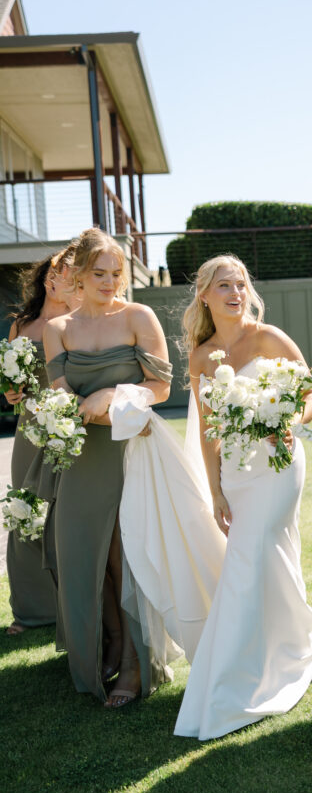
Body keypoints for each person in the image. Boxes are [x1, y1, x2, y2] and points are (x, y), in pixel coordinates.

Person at [174, 254, 312, 740]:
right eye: (224, 286)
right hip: (237, 473)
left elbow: (311, 392)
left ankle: (226, 686)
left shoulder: (269, 337)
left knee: (249, 557)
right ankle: (294, 645)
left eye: (240, 284)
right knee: (271, 558)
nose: (235, 293)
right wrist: (215, 488)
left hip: (279, 464)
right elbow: (209, 430)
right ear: (205, 295)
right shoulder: (200, 357)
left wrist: (292, 423)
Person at [43, 228, 173, 707]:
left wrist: (109, 395)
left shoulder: (138, 315)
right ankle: (108, 642)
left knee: (124, 553)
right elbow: (59, 392)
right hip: (79, 455)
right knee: (85, 557)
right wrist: (75, 406)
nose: (109, 282)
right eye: (99, 273)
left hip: (130, 449)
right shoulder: (59, 329)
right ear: (77, 274)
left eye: (117, 273)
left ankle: (137, 661)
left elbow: (160, 390)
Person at [4, 246, 78, 635]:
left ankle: (72, 601)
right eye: (54, 269)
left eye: (67, 272)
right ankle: (32, 611)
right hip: (28, 429)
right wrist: (11, 393)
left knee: (65, 514)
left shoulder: (81, 323)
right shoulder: (22, 325)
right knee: (25, 510)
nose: (57, 277)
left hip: (68, 430)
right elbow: (13, 381)